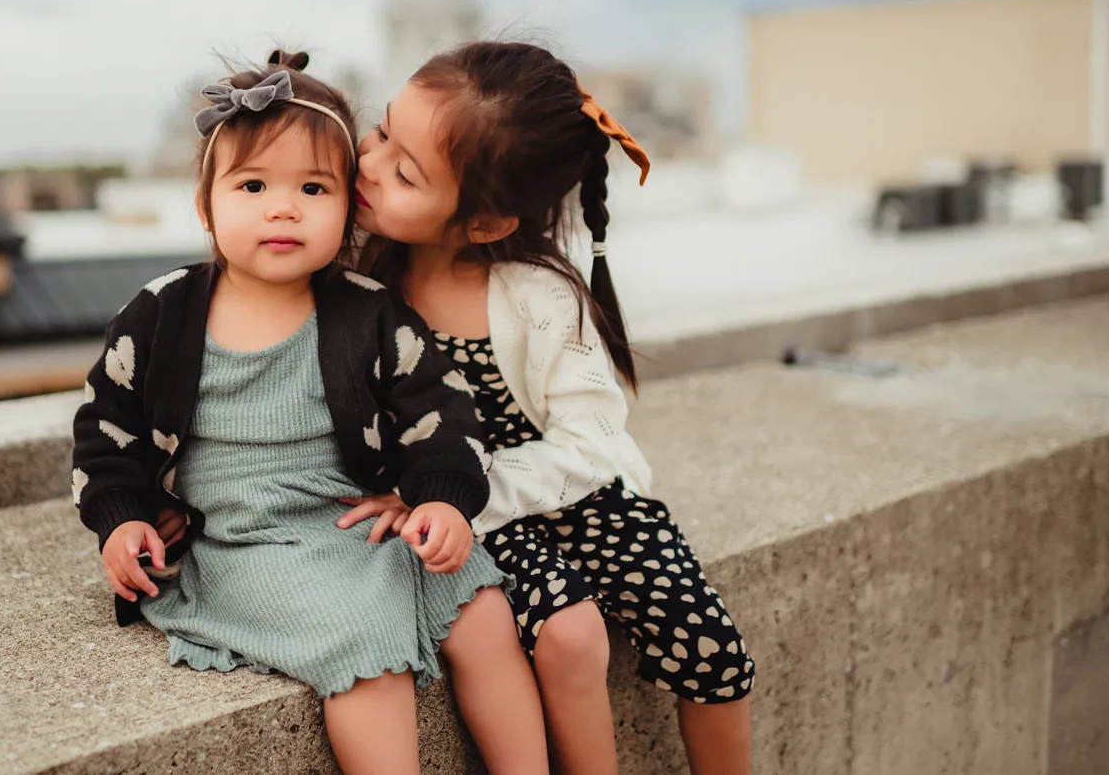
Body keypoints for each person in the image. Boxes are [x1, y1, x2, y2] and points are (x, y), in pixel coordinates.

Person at [71, 50, 547, 775]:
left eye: (314, 187)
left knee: (483, 610)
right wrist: (123, 517)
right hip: (244, 541)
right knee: (362, 648)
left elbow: (442, 417)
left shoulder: (368, 311)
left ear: (347, 203)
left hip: (356, 521)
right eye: (253, 184)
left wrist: (442, 500)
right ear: (206, 207)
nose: (283, 206)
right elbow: (107, 433)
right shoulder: (162, 315)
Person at [340, 41, 755, 775]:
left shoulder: (539, 299)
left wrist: (468, 494)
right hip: (460, 516)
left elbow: (589, 444)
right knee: (570, 637)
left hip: (561, 489)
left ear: (487, 222)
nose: (368, 165)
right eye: (379, 133)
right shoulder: (360, 289)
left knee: (710, 640)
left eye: (404, 171)